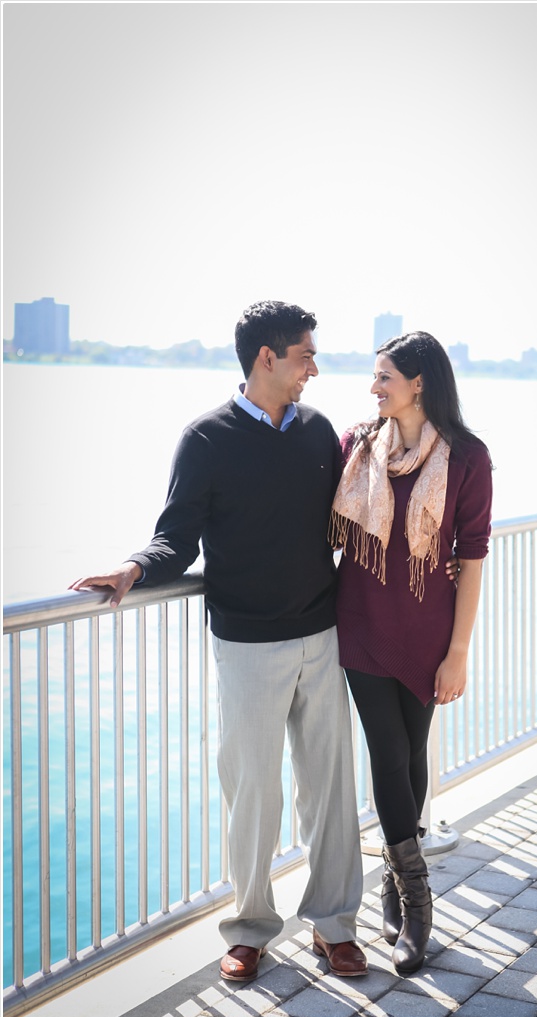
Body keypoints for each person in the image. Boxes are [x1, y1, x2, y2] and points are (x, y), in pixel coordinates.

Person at [70, 302, 369, 982]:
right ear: (267, 357)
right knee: (252, 792)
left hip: (320, 635)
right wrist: (134, 567)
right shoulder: (204, 439)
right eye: (304, 355)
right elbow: (177, 534)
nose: (314, 368)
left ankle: (334, 924)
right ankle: (252, 929)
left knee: (329, 788)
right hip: (248, 645)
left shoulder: (321, 433)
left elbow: (350, 520)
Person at [329, 331, 491, 976]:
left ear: (419, 381)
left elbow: (472, 558)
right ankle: (418, 907)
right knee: (388, 753)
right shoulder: (356, 446)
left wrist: (459, 654)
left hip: (427, 635)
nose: (374, 388)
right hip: (361, 625)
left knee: (412, 753)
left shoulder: (468, 457)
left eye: (384, 378)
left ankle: (397, 896)